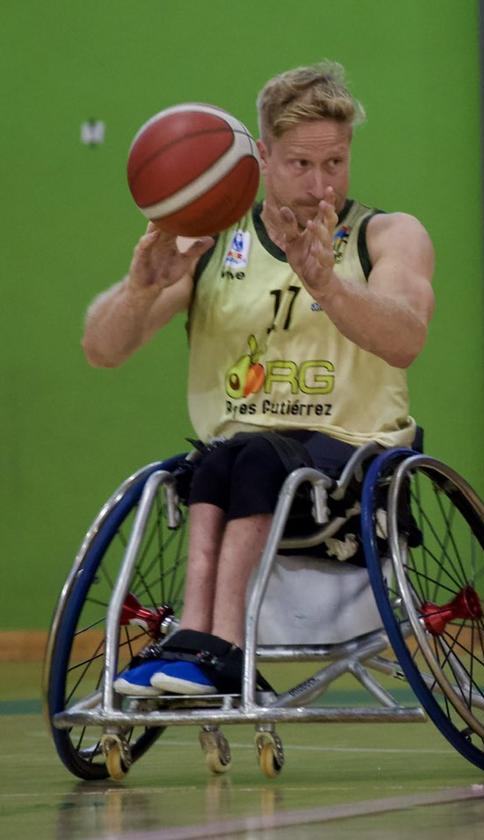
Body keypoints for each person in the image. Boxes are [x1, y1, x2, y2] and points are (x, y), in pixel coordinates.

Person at [82, 62, 436, 696]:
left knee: (250, 457)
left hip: (353, 462)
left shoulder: (387, 235)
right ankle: (197, 639)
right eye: (301, 165)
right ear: (264, 156)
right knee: (218, 460)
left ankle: (220, 646)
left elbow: (405, 339)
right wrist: (141, 290)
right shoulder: (212, 244)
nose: (320, 185)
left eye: (335, 164)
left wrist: (326, 282)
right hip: (238, 458)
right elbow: (103, 348)